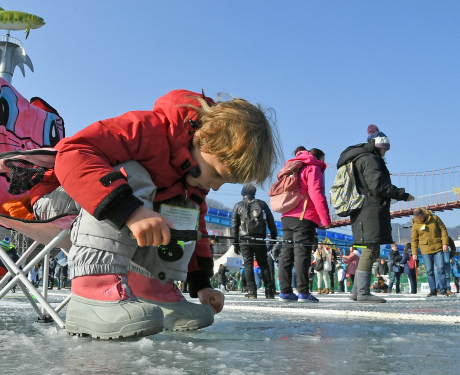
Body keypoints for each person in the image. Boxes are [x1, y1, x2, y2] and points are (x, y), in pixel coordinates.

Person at [40, 89, 281, 338]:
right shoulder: (148, 130)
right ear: (202, 139)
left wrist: (202, 286)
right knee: (133, 173)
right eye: (218, 174)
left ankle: (154, 290)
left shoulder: (192, 182)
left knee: (185, 206)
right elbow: (71, 152)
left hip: (100, 211)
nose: (216, 186)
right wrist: (130, 212)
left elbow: (196, 231)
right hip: (56, 197)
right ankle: (93, 291)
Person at [336, 125, 414, 303]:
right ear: (375, 146)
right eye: (383, 150)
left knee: (371, 249)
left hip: (367, 210)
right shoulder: (369, 160)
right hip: (369, 210)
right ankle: (363, 292)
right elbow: (377, 186)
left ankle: (357, 292)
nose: (385, 153)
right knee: (370, 250)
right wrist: (401, 194)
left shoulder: (362, 158)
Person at [277, 148, 332, 303]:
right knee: (302, 254)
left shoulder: (293, 166)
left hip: (286, 215)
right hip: (304, 216)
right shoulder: (312, 168)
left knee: (286, 253)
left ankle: (285, 292)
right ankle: (303, 292)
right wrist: (325, 220)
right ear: (319, 158)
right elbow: (316, 193)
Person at [231, 184, 278, 299]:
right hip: (259, 238)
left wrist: (235, 243)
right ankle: (269, 291)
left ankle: (252, 292)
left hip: (244, 239)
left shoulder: (238, 206)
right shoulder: (261, 204)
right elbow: (271, 221)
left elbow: (234, 226)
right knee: (263, 264)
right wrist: (274, 235)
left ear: (243, 194)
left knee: (248, 264)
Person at [411, 208, 454, 297]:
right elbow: (414, 239)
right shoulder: (415, 224)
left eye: (420, 218)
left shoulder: (434, 218)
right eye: (417, 218)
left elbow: (443, 230)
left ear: (424, 214)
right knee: (429, 271)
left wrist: (445, 243)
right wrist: (414, 253)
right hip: (425, 250)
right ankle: (433, 290)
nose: (419, 220)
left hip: (438, 248)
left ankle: (443, 289)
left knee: (441, 269)